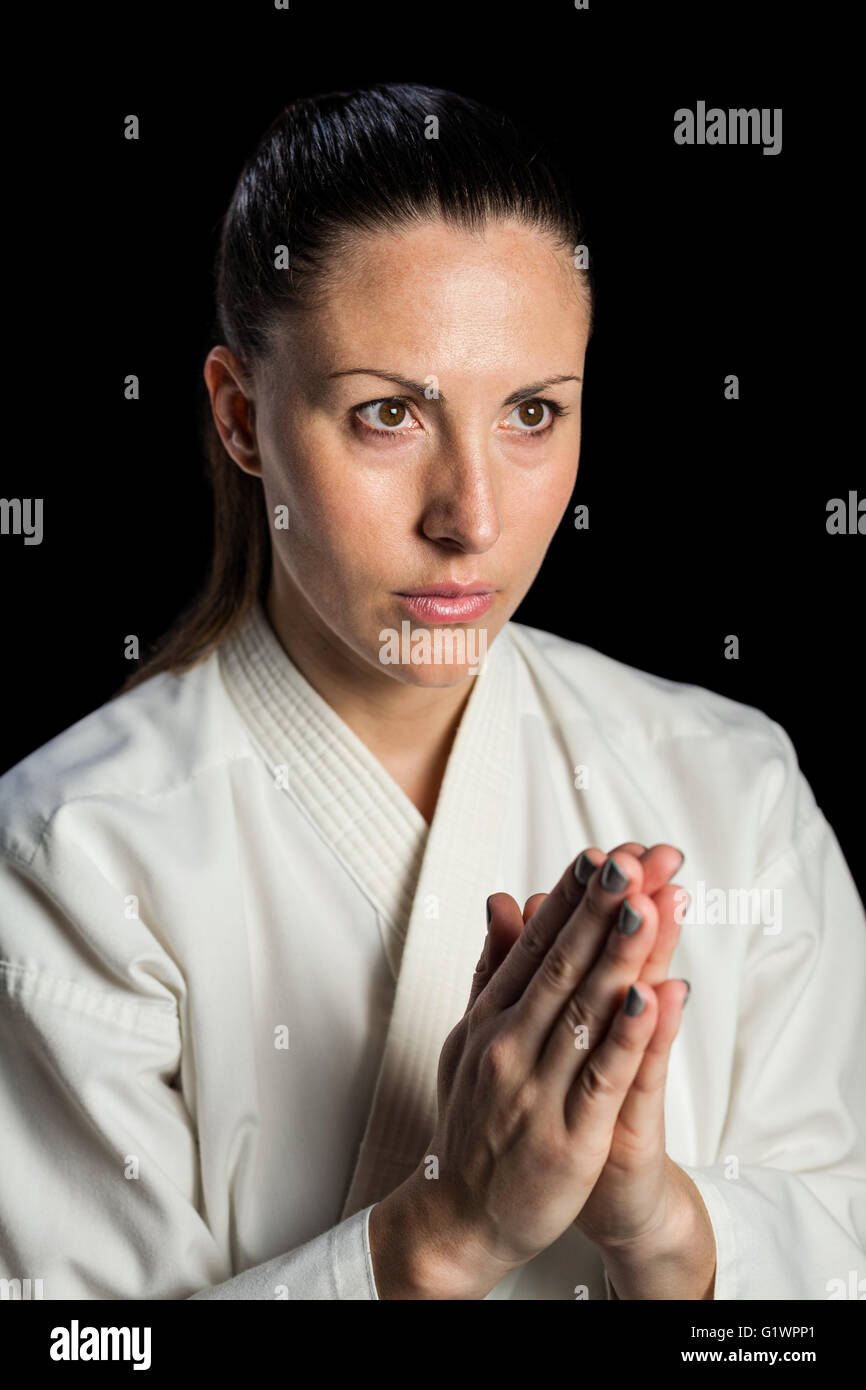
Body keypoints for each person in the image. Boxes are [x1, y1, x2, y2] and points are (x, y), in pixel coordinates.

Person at [0, 83, 863, 1302]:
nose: (470, 516)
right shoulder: (69, 854)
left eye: (530, 414)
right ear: (241, 417)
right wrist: (443, 1233)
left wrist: (667, 1228)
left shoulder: (731, 785)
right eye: (387, 414)